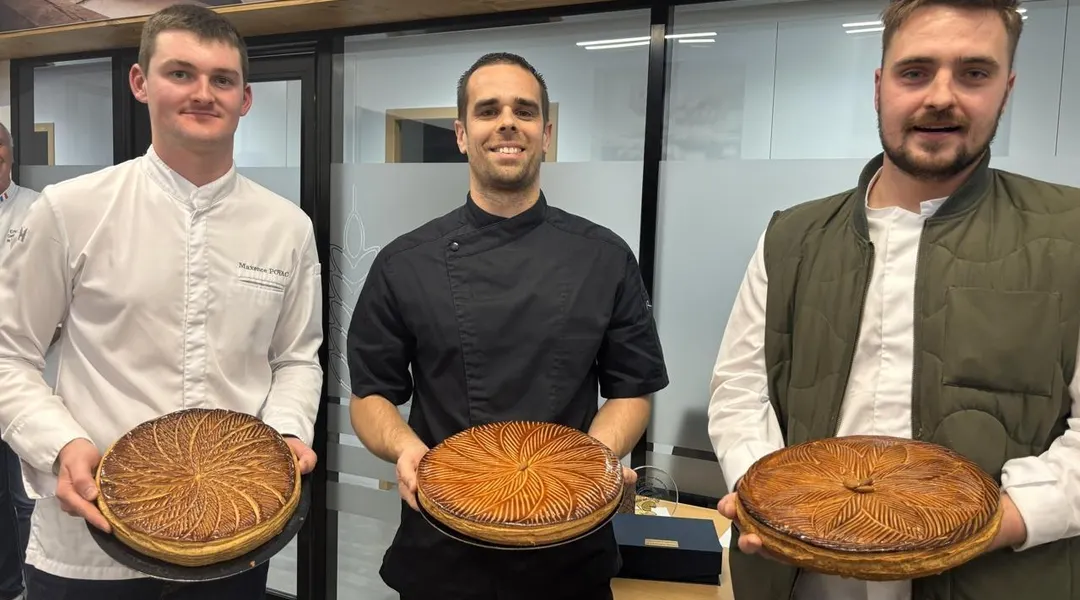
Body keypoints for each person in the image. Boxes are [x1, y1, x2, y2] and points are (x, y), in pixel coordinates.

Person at [708, 1, 1080, 599]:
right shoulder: (792, 236)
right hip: (797, 574)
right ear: (880, 87)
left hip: (992, 575)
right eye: (915, 72)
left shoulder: (1069, 233)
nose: (941, 96)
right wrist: (767, 498)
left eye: (973, 73)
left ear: (1006, 89)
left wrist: (990, 525)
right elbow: (739, 389)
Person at [0, 5, 322, 600]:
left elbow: (296, 358)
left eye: (222, 80)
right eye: (181, 73)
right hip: (91, 543)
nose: (204, 93)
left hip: (235, 542)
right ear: (141, 83)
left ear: (245, 99)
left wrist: (281, 439)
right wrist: (62, 444)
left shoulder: (287, 227)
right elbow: (8, 355)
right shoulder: (70, 211)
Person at [347, 51, 669, 600]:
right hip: (443, 549)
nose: (506, 123)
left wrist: (591, 464)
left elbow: (632, 390)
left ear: (545, 134)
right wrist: (406, 448)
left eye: (523, 111)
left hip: (571, 548)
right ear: (461, 133)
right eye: (487, 110)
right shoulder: (404, 263)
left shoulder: (606, 257)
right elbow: (370, 395)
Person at [0, 121, 39, 600]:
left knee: (24, 494)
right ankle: (8, 585)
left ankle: (34, 587)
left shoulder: (36, 210)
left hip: (22, 372)